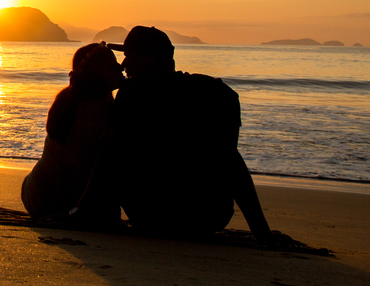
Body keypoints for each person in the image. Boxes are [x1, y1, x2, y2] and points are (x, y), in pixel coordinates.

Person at [74, 26, 273, 239]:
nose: (124, 65)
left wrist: (80, 212)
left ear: (147, 61)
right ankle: (261, 229)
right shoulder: (219, 93)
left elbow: (111, 154)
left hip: (151, 214)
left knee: (114, 142)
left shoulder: (133, 94)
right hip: (211, 216)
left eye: (129, 57)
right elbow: (230, 162)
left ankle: (85, 212)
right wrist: (262, 231)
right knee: (226, 150)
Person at [21, 43, 124, 219]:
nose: (120, 67)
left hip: (34, 192)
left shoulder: (67, 98)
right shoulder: (97, 111)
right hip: (60, 200)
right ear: (98, 72)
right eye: (113, 65)